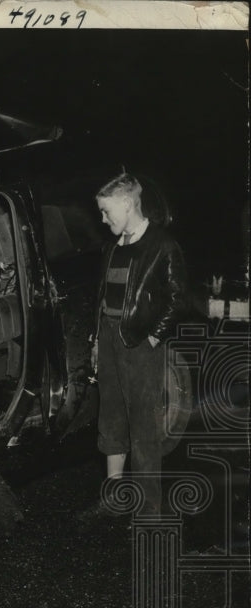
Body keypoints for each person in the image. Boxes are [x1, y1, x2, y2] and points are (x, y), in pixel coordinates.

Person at [89, 173, 191, 518]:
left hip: (140, 342)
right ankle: (114, 496)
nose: (103, 220)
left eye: (106, 211)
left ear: (127, 204)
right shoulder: (111, 247)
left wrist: (153, 337)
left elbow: (178, 299)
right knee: (111, 419)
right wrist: (96, 340)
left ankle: (149, 509)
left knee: (144, 428)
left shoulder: (162, 246)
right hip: (108, 338)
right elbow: (102, 298)